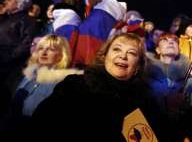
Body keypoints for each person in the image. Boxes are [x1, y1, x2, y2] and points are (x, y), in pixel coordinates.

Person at [32, 33, 169, 140]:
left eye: (132, 53)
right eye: (116, 49)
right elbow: (41, 125)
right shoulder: (74, 86)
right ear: (104, 56)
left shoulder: (144, 103)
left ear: (138, 67)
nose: (123, 56)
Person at [3, 34, 83, 130]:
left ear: (62, 54)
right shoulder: (29, 73)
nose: (44, 52)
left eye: (51, 49)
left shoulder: (66, 82)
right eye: (41, 48)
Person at [145, 33, 192, 121]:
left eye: (174, 41)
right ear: (157, 49)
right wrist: (164, 102)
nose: (171, 42)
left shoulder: (190, 81)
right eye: (165, 40)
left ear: (179, 50)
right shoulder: (146, 76)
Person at [0, 0, 37, 115]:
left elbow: (26, 44)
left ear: (19, 4)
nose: (5, 2)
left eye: (9, 0)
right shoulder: (6, 17)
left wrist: (8, 58)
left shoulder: (27, 21)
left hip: (6, 65)